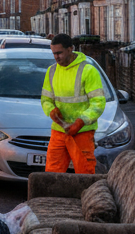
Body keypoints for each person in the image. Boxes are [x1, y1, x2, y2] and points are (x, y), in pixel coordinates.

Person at [40, 33, 106, 174]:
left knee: (85, 173)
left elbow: (98, 103)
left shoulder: (88, 71)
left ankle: (86, 196)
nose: (56, 57)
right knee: (52, 173)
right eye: (54, 53)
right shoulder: (52, 71)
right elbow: (45, 99)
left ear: (70, 49)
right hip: (59, 130)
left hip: (82, 132)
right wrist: (51, 111)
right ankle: (52, 196)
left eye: (59, 53)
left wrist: (81, 121)